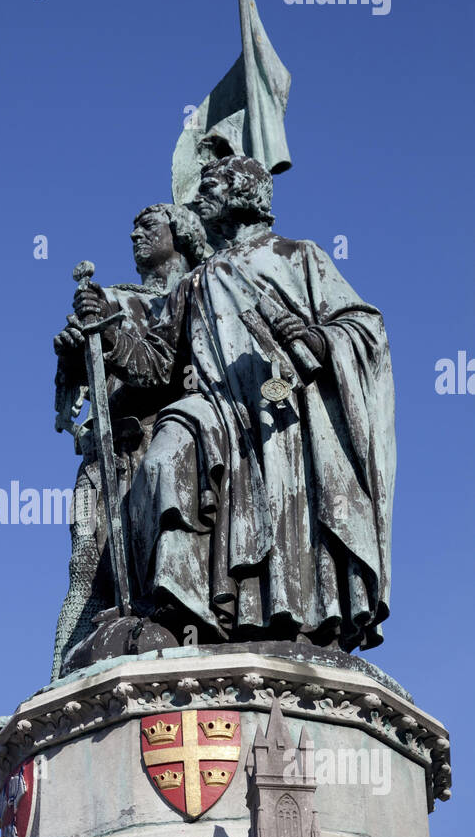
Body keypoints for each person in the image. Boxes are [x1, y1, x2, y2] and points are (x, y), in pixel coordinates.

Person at [113, 156, 394, 651]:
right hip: (217, 408)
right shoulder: (195, 282)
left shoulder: (299, 255)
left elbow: (364, 327)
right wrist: (111, 333)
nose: (200, 196)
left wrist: (318, 339)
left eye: (212, 185)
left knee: (293, 502)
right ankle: (185, 611)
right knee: (165, 456)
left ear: (244, 192)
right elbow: (158, 365)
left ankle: (306, 621)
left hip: (286, 410)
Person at [51, 203, 207, 677]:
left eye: (148, 227)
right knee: (84, 563)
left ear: (178, 235)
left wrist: (110, 332)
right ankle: (62, 676)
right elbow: (73, 388)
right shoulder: (113, 295)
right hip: (105, 452)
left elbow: (163, 371)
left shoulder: (194, 296)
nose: (135, 235)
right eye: (133, 228)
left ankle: (159, 650)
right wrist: (73, 351)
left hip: (156, 443)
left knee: (150, 561)